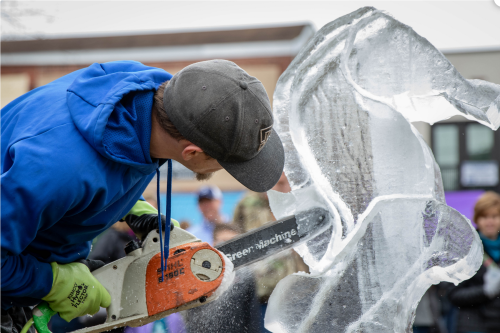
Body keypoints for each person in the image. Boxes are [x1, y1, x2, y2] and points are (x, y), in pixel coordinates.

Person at [1, 59, 284, 333]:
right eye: (227, 163)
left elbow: (108, 161)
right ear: (193, 152)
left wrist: (132, 206)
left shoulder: (150, 101)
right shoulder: (59, 170)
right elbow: (69, 174)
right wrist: (53, 282)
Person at [233, 172, 308, 332]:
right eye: (277, 183)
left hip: (298, 291)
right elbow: (236, 241)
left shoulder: (300, 203)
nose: (279, 188)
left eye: (283, 184)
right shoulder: (247, 205)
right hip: (263, 291)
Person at [183, 223, 261, 333]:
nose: (229, 247)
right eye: (223, 241)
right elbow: (191, 314)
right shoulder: (200, 273)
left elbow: (253, 316)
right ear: (213, 243)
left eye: (233, 242)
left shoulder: (245, 275)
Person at [448, 191, 500, 333]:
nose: (490, 221)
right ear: (477, 219)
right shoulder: (466, 249)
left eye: (494, 216)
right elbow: (453, 294)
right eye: (484, 216)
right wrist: (485, 291)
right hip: (473, 325)